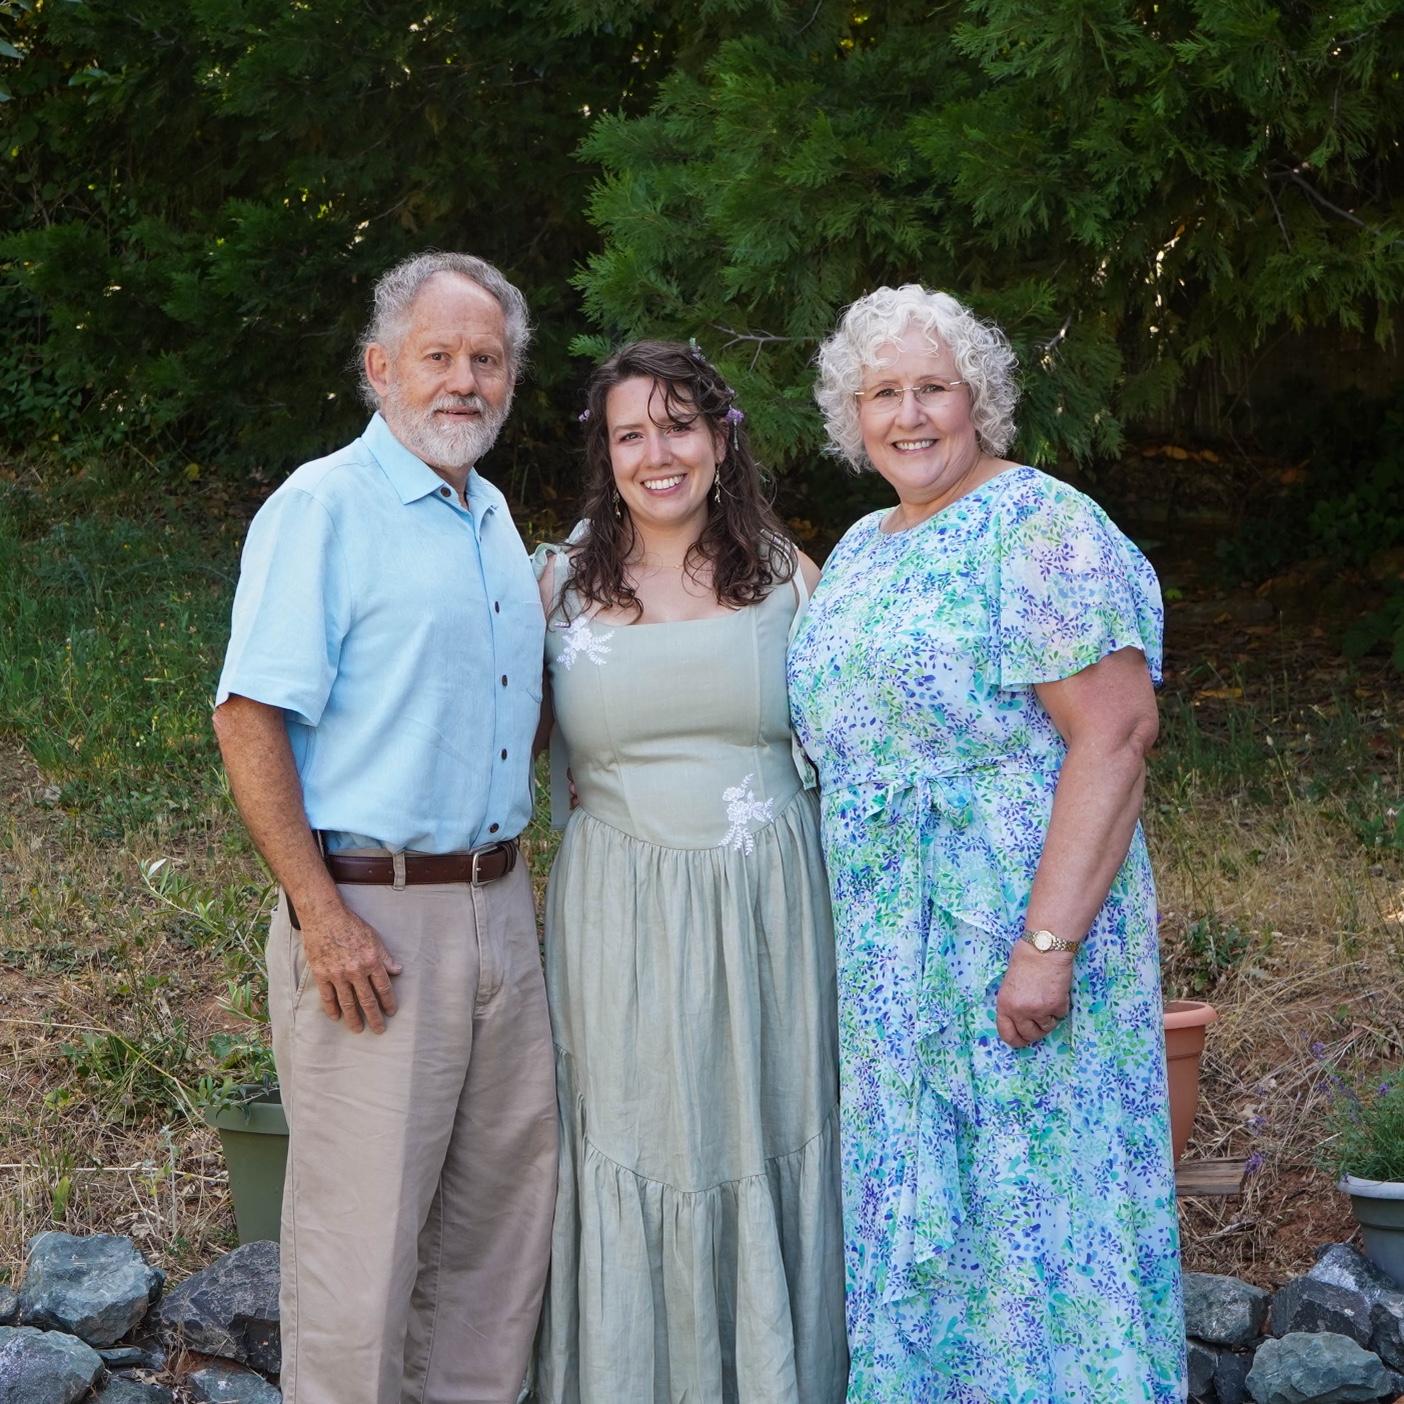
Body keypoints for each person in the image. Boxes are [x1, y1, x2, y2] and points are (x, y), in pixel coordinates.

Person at [786, 285, 1186, 1403]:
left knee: (1035, 1224)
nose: (911, 416)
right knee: (927, 1231)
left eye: (934, 389)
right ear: (851, 414)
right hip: (888, 968)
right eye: (884, 393)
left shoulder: (1043, 526)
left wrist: (1047, 944)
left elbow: (1116, 736)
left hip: (1011, 937)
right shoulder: (861, 547)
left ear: (981, 402)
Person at [213, 251, 556, 1404]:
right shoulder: (323, 508)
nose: (464, 381)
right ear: (379, 368)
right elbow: (249, 719)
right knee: (358, 1256)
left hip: (503, 910)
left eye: (487, 359)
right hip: (373, 918)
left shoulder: (494, 517)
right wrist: (321, 916)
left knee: (495, 1240)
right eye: (439, 356)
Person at [531, 340, 848, 1403]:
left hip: (770, 907)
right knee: (632, 1137)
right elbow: (486, 736)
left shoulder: (789, 576)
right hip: (617, 910)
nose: (656, 454)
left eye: (679, 426)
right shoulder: (558, 584)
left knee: (766, 1130)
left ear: (721, 438)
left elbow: (868, 741)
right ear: (604, 452)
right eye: (631, 434)